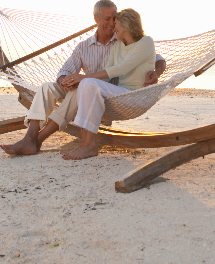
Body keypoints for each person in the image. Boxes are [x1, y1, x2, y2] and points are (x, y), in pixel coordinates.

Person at [0, 0, 165, 156]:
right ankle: (30, 137)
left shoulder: (122, 40)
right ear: (96, 19)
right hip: (83, 85)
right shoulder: (84, 46)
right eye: (107, 19)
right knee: (46, 87)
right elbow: (65, 71)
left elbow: (157, 59)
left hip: (103, 95)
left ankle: (38, 139)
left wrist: (156, 73)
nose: (112, 24)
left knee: (82, 87)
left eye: (114, 20)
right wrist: (65, 82)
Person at [61, 8, 155, 160]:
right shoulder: (118, 45)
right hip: (121, 93)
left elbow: (120, 69)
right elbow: (107, 72)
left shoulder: (146, 42)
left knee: (88, 81)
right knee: (87, 84)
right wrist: (80, 83)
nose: (113, 27)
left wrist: (85, 78)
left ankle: (88, 145)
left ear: (126, 24)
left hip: (137, 97)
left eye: (116, 23)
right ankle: (87, 144)